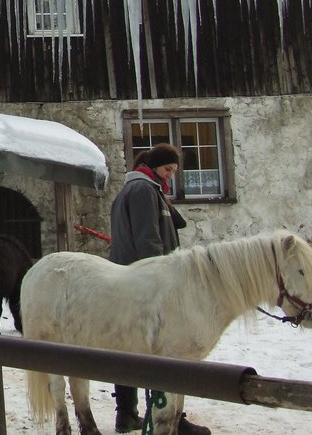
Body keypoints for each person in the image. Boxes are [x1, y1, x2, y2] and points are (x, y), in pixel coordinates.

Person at [108, 143, 209, 435]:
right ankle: (169, 419)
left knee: (129, 350)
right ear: (153, 167)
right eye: (168, 169)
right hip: (144, 284)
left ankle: (128, 414)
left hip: (134, 279)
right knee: (162, 350)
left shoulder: (147, 189)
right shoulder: (141, 191)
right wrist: (164, 282)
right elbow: (148, 240)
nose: (171, 176)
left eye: (174, 171)